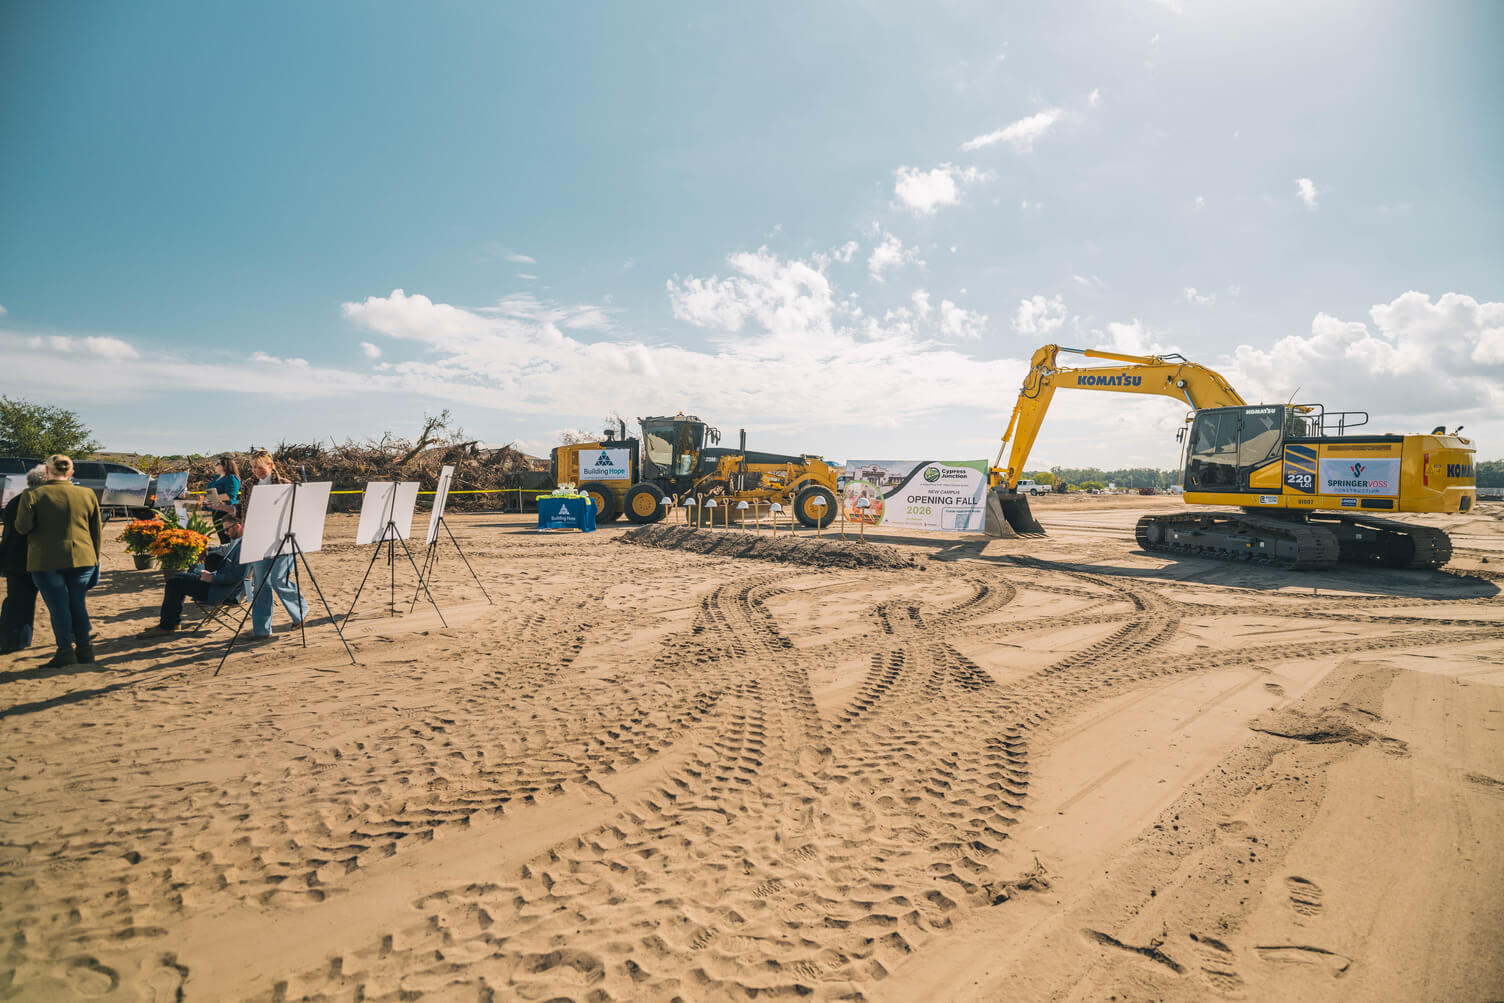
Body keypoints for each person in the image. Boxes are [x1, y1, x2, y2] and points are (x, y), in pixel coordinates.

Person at [16, 455, 103, 667]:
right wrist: (95, 558)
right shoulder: (87, 494)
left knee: (59, 607)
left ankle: (65, 651)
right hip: (83, 556)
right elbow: (96, 531)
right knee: (77, 604)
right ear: (71, 473)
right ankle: (85, 650)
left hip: (47, 559)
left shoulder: (32, 494)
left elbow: (22, 527)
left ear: (47, 472)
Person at [138, 517, 248, 637]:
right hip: (221, 584)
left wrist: (212, 578)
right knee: (185, 573)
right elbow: (230, 561)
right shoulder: (241, 542)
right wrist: (210, 568)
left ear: (237, 526)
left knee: (174, 582)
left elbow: (236, 576)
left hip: (223, 591)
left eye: (227, 530)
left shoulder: (244, 548)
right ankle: (171, 623)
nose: (225, 533)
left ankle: (167, 626)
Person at [238, 450, 306, 638]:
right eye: (253, 467)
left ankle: (300, 611)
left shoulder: (284, 484)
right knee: (260, 584)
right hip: (258, 538)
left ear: (271, 465)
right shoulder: (247, 485)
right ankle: (261, 630)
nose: (256, 471)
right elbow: (244, 511)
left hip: (282, 539)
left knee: (278, 578)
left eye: (260, 467)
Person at [1, 465, 48, 654]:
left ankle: (13, 640)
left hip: (13, 559)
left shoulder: (15, 500)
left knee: (17, 601)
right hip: (34, 559)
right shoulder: (42, 502)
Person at [204, 456, 242, 543]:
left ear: (225, 466)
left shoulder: (231, 478)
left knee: (228, 540)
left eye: (217, 464)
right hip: (215, 511)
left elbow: (230, 495)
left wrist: (211, 498)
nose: (215, 465)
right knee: (222, 538)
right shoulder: (216, 477)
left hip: (226, 512)